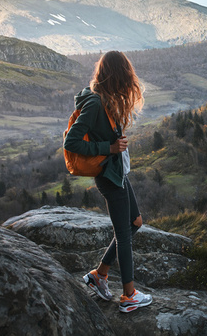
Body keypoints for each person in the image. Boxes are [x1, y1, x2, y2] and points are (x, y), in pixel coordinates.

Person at [63, 50, 152, 313]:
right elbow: (71, 142)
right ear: (118, 74)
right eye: (126, 73)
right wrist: (109, 148)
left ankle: (99, 275)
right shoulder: (94, 103)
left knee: (135, 222)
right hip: (108, 176)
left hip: (117, 174)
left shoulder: (108, 101)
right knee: (124, 234)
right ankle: (129, 296)